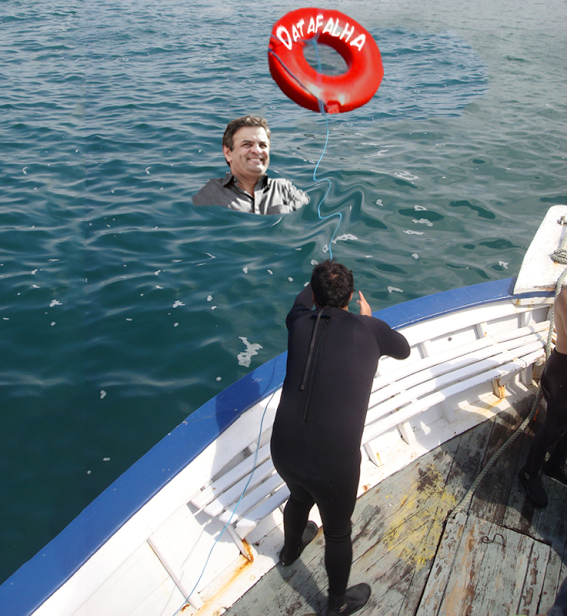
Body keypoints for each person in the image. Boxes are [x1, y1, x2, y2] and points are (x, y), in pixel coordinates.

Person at [270, 260, 411, 616]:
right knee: (336, 532)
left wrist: (317, 281)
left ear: (314, 296)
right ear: (349, 297)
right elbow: (403, 349)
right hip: (333, 466)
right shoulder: (370, 329)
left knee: (299, 496)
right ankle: (336, 604)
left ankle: (289, 551)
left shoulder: (297, 320)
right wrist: (370, 318)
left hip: (283, 449)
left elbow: (302, 299)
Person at [193, 115, 310, 215]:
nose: (257, 151)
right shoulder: (211, 194)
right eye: (247, 144)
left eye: (263, 145)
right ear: (228, 153)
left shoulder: (285, 189)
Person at [520, 285, 567, 507]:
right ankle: (529, 472)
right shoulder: (566, 297)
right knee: (553, 428)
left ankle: (554, 463)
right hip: (562, 376)